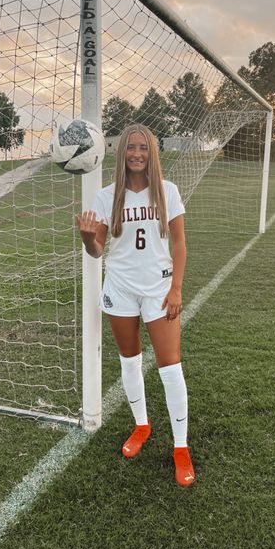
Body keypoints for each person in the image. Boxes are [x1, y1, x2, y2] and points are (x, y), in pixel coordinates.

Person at [75, 123, 195, 487]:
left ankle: (180, 447)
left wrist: (176, 288)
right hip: (120, 289)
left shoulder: (167, 192)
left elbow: (179, 244)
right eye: (131, 148)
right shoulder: (106, 197)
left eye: (143, 148)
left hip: (158, 288)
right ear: (121, 153)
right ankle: (141, 425)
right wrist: (88, 241)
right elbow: (97, 251)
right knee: (130, 362)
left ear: (152, 152)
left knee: (170, 368)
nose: (137, 154)